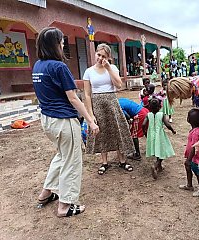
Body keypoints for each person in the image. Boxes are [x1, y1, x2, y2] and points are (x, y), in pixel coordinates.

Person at [33, 27, 99, 217]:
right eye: (61, 41)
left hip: (48, 120)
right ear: (55, 44)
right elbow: (73, 98)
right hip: (63, 121)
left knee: (62, 156)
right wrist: (90, 120)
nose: (63, 44)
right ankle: (65, 205)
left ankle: (46, 193)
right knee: (72, 161)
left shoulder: (38, 66)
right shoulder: (59, 67)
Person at [83, 43, 134, 175]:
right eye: (98, 55)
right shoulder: (88, 71)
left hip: (112, 102)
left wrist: (108, 68)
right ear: (95, 54)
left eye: (103, 56)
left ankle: (122, 160)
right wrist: (90, 113)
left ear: (108, 57)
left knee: (118, 130)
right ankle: (104, 162)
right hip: (97, 104)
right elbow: (87, 94)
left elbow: (118, 85)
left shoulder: (112, 68)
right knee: (101, 132)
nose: (100, 58)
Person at [142, 97, 176, 179]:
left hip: (151, 134)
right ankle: (155, 165)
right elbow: (167, 124)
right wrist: (172, 130)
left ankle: (159, 167)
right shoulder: (161, 115)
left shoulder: (148, 115)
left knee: (157, 150)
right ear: (160, 107)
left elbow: (143, 125)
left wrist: (145, 132)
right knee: (162, 150)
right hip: (160, 135)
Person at [179, 108, 199, 197]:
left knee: (198, 173)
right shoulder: (196, 130)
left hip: (196, 158)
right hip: (192, 157)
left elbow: (195, 148)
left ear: (189, 120)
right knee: (188, 169)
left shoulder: (196, 132)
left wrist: (189, 159)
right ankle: (189, 185)